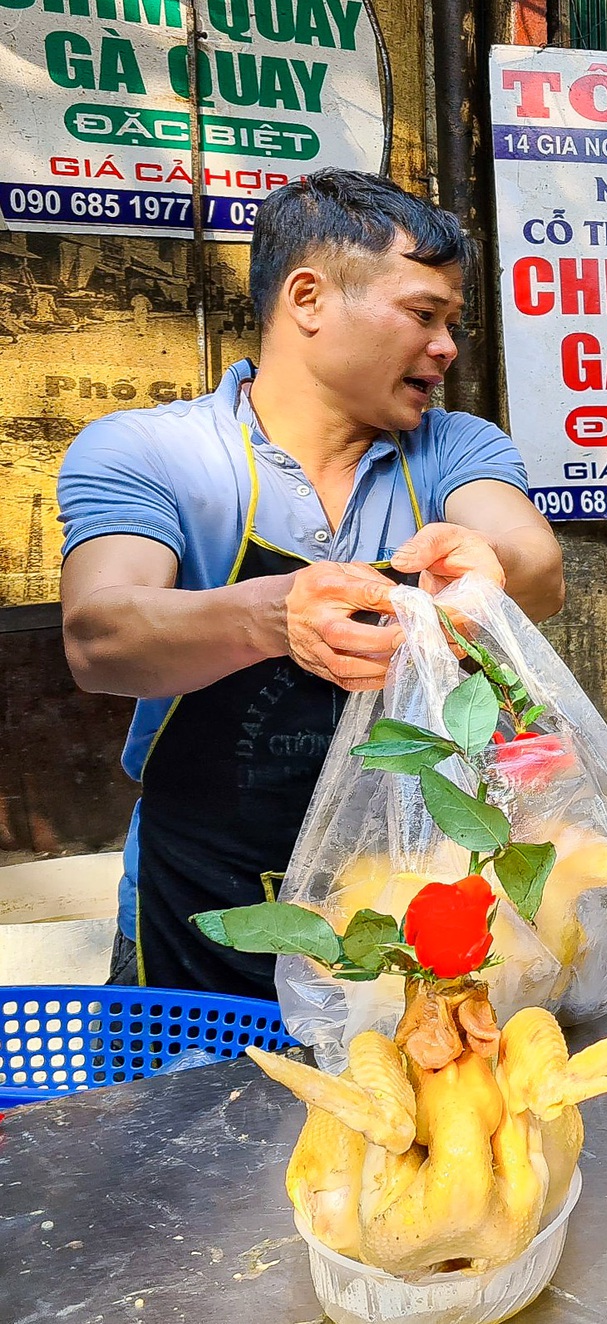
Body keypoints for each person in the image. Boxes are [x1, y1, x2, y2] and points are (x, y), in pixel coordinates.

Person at [56, 170, 563, 997]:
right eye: (424, 314)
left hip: (407, 894)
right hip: (203, 897)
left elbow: (535, 566)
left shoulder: (452, 449)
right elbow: (97, 637)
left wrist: (489, 572)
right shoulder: (150, 451)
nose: (447, 347)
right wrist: (267, 617)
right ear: (308, 298)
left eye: (453, 323)